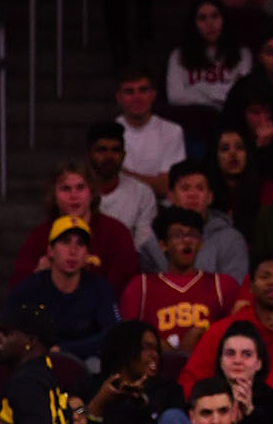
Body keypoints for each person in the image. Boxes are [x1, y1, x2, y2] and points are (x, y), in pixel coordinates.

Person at [176, 257, 273, 406]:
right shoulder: (225, 328)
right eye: (265, 277)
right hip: (231, 411)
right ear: (251, 287)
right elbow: (189, 380)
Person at [123, 208, 246, 353]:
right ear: (163, 245)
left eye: (193, 235)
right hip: (157, 364)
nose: (186, 240)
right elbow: (126, 336)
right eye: (178, 235)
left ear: (201, 243)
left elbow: (241, 335)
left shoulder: (223, 284)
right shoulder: (141, 286)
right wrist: (163, 348)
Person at [13, 160, 141, 294]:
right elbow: (17, 292)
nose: (74, 196)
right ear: (54, 196)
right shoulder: (40, 236)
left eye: (80, 187)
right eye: (66, 189)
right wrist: (38, 276)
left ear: (92, 193)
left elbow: (128, 289)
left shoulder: (116, 233)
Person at [7, 216, 119, 361]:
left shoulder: (99, 288)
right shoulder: (31, 287)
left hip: (84, 363)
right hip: (37, 362)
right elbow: (5, 328)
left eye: (80, 243)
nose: (73, 251)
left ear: (87, 253)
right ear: (50, 250)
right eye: (65, 242)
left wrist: (65, 350)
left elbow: (113, 332)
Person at [82, 319, 182, 424]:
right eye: (147, 347)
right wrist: (99, 403)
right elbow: (76, 421)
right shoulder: (91, 387)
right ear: (125, 349)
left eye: (156, 349)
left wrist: (144, 403)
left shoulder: (168, 391)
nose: (154, 355)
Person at [138, 161, 251, 281]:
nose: (192, 194)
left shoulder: (231, 239)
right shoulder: (153, 242)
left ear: (210, 197)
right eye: (185, 188)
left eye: (200, 188)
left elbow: (233, 287)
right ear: (171, 197)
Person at [166, 0, 253, 111]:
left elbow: (240, 94)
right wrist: (214, 102)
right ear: (193, 24)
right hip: (193, 116)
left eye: (215, 16)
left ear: (224, 19)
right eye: (202, 18)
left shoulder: (243, 53)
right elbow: (175, 96)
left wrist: (198, 89)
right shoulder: (177, 55)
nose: (210, 23)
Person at [85, 120, 158, 249]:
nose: (109, 156)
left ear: (123, 155)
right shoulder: (73, 191)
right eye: (101, 150)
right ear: (88, 155)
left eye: (115, 150)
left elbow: (143, 246)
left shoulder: (142, 193)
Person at [115, 67, 187, 196]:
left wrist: (124, 175)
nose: (137, 97)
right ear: (119, 98)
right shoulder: (108, 133)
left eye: (143, 90)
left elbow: (167, 186)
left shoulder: (172, 131)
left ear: (153, 95)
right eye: (129, 92)